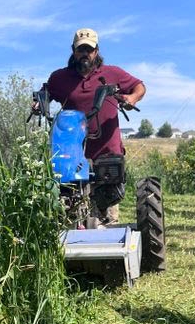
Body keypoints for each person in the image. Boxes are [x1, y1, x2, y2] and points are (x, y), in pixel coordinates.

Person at [34, 27, 146, 224]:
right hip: (73, 152)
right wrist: (38, 104)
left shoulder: (112, 73)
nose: (85, 53)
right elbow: (45, 94)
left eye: (89, 49)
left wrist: (132, 98)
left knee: (108, 216)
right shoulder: (60, 78)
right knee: (69, 213)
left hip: (106, 150)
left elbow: (139, 86)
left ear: (96, 51)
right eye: (80, 49)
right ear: (73, 51)